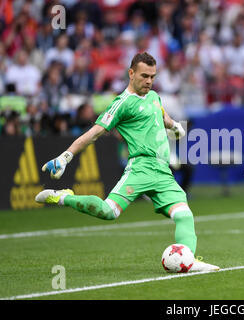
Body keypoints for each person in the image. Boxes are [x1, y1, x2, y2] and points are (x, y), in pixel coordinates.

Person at [35, 52, 219, 272]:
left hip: (162, 170)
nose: (149, 81)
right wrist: (66, 156)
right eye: (144, 76)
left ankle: (189, 261)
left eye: (152, 76)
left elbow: (160, 114)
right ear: (131, 73)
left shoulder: (153, 96)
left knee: (184, 215)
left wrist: (174, 126)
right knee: (108, 212)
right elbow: (93, 134)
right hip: (140, 168)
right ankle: (64, 197)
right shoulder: (122, 103)